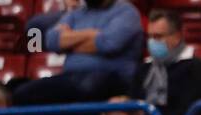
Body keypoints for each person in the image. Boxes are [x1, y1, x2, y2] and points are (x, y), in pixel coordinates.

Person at [13, 0, 144, 105]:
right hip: (71, 78)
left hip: (111, 79)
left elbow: (108, 43)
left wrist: (69, 41)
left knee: (89, 85)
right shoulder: (77, 13)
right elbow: (51, 40)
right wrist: (91, 34)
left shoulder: (126, 12)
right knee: (20, 93)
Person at [131, 10, 201, 115]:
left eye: (158, 37)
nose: (152, 42)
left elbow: (185, 112)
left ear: (177, 36)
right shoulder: (144, 68)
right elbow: (132, 104)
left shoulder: (194, 67)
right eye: (150, 37)